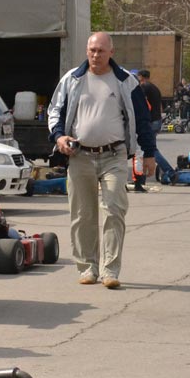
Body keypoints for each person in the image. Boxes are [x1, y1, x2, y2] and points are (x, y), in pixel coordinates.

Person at [47, 32, 157, 289]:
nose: (95, 55)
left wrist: (149, 154)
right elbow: (55, 111)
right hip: (80, 156)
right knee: (82, 215)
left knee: (114, 210)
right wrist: (59, 137)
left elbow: (142, 119)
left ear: (111, 52)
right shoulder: (72, 79)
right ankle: (87, 267)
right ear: (87, 51)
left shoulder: (125, 81)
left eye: (101, 51)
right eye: (92, 50)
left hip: (114, 156)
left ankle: (110, 270)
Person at [134, 69, 173, 189]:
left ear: (141, 77)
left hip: (150, 121)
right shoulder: (155, 87)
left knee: (150, 149)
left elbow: (143, 104)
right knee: (148, 148)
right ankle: (141, 178)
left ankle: (169, 171)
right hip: (156, 120)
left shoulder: (144, 87)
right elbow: (159, 105)